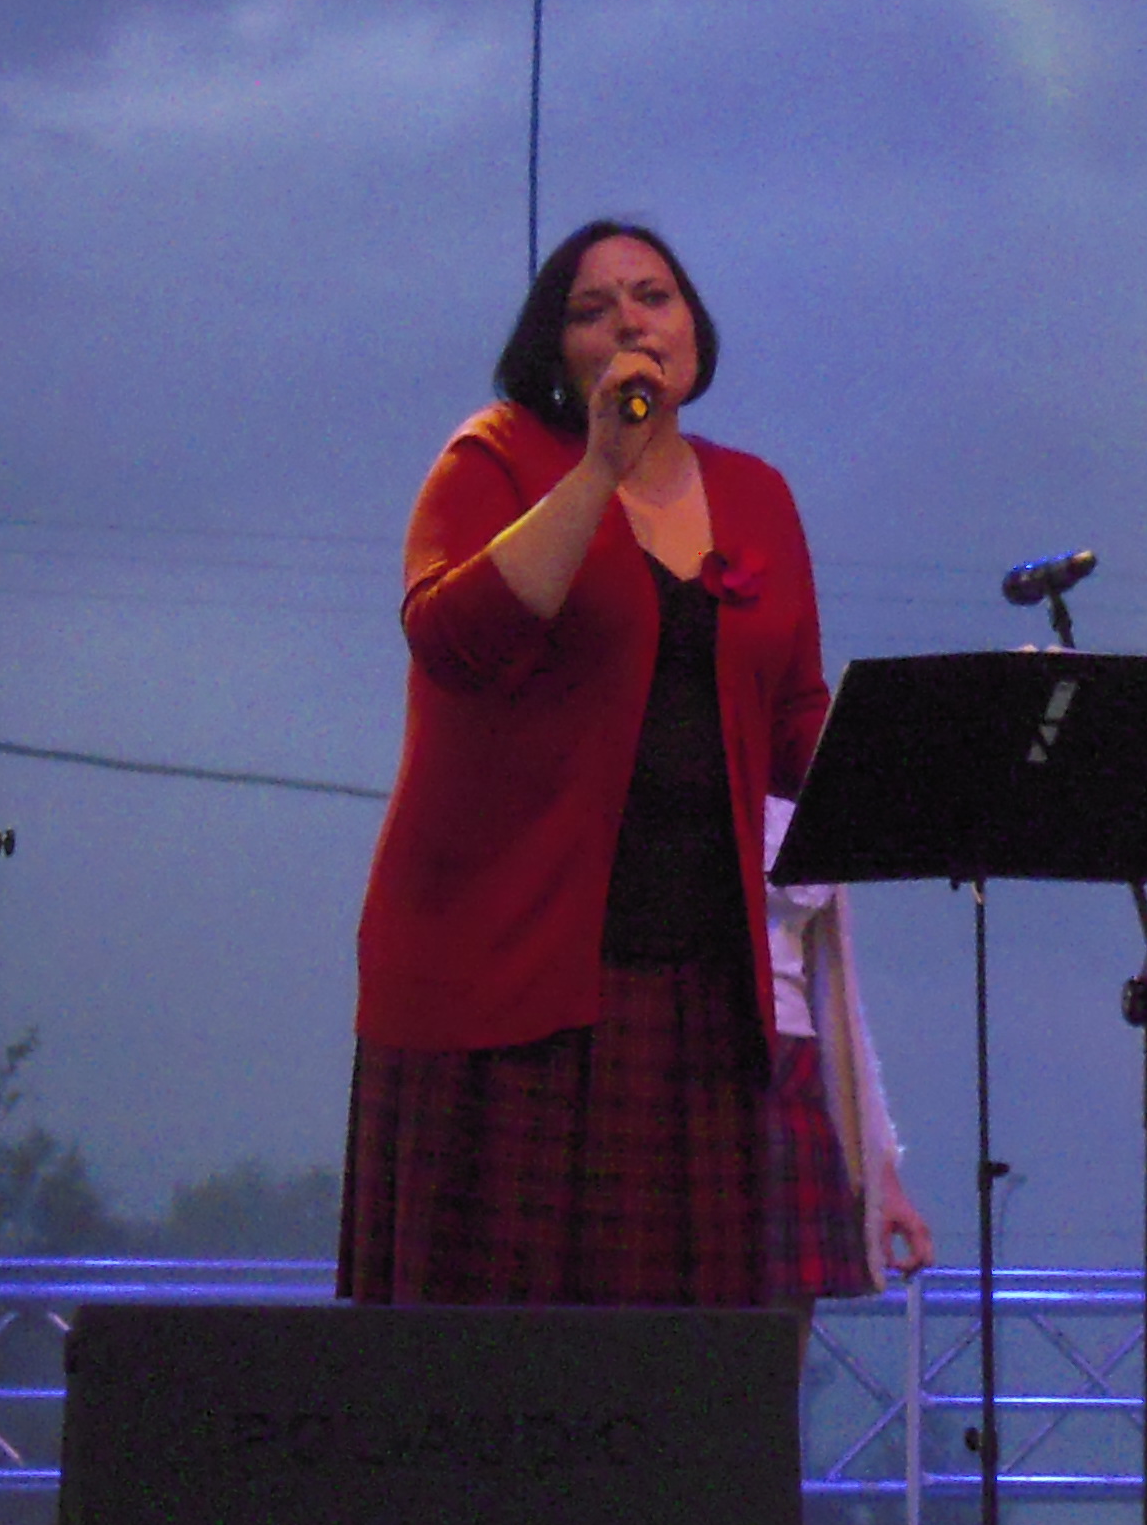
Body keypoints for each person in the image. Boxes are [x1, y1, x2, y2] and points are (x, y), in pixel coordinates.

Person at [341, 219, 828, 1307]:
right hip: (505, 974)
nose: (631, 324)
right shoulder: (497, 458)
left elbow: (798, 723)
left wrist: (953, 748)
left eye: (654, 296)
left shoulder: (757, 495)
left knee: (676, 1356)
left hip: (696, 986)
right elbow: (452, 639)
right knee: (497, 1349)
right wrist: (604, 464)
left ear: (692, 326)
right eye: (593, 310)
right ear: (554, 350)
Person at [760, 797, 939, 1303]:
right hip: (687, 1052)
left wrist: (881, 1176)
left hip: (792, 1066)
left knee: (781, 1318)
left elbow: (838, 1003)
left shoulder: (806, 793)